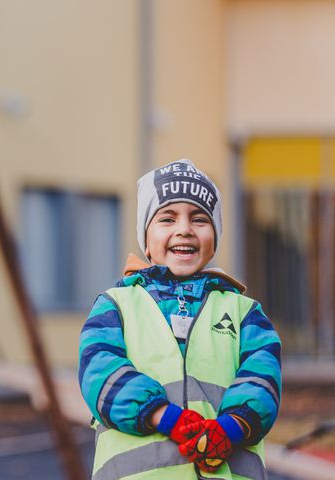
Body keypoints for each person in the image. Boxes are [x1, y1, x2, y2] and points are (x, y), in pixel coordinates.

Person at [78, 159, 281, 479]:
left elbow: (263, 381)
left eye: (199, 219)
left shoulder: (245, 313)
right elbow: (99, 372)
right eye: (167, 218)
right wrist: (166, 416)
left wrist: (231, 427)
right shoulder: (115, 306)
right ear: (146, 238)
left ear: (215, 237)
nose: (184, 229)